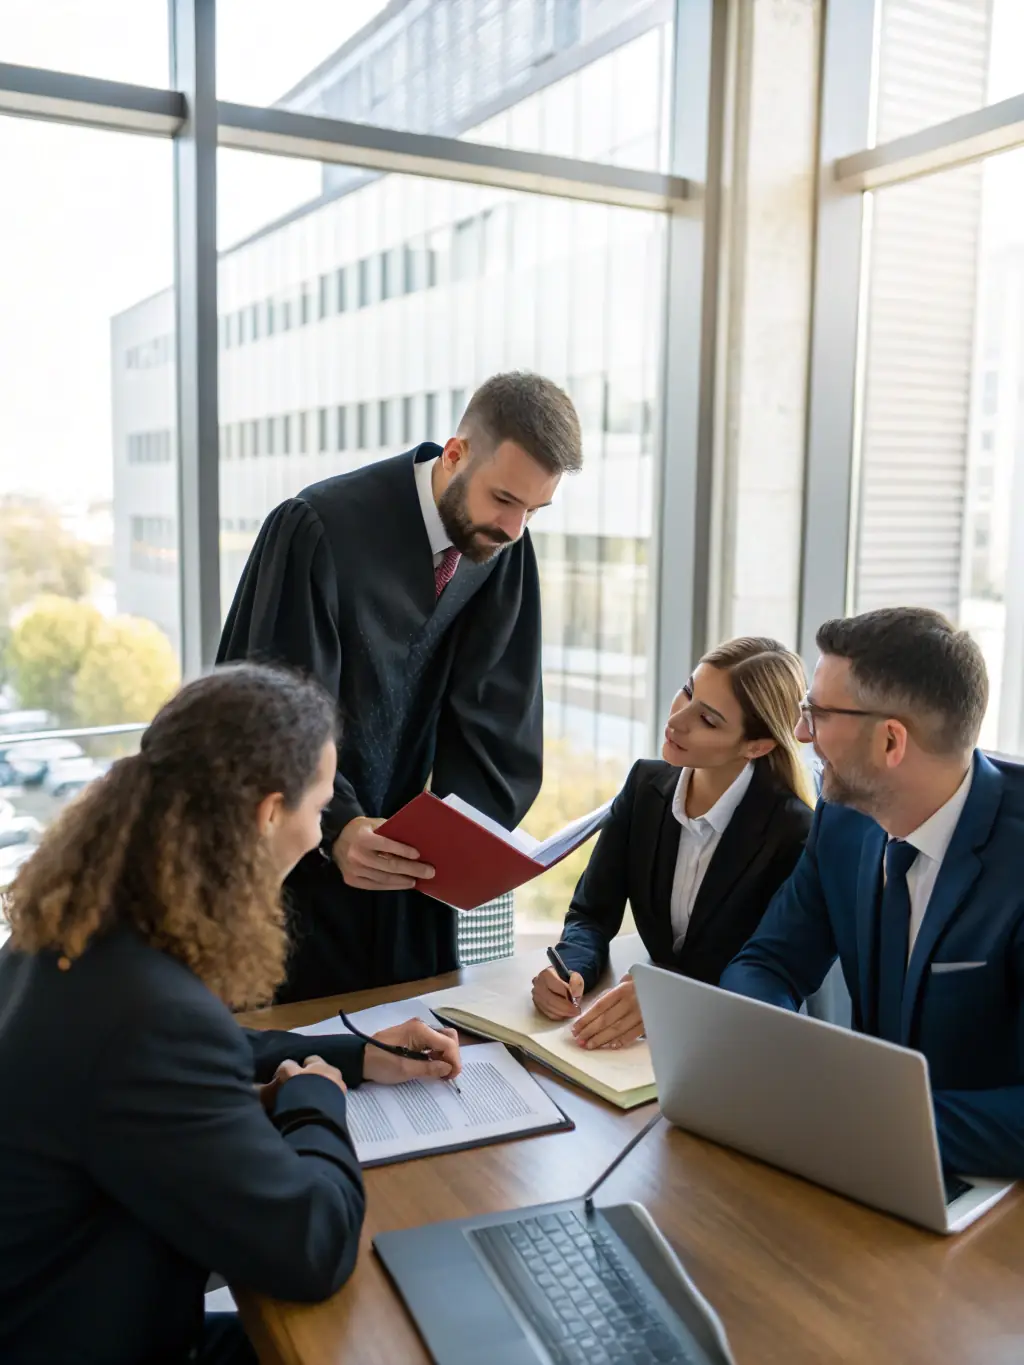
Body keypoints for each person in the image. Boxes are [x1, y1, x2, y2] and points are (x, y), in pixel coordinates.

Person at [0, 665, 462, 1365]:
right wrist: (315, 1102)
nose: (319, 832)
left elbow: (180, 1059)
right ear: (268, 813)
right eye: (321, 808)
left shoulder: (74, 929)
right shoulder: (150, 1014)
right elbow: (314, 1248)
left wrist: (357, 1054)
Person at [218, 372, 583, 1002]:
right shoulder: (318, 528)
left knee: (417, 1041)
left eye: (534, 510)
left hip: (415, 881)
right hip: (303, 865)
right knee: (304, 1039)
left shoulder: (501, 548)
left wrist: (454, 836)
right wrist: (338, 826)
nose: (515, 527)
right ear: (455, 454)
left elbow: (500, 718)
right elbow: (270, 713)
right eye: (504, 499)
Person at [721, 607, 1024, 1178]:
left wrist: (856, 1118)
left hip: (986, 1191)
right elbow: (768, 962)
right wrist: (777, 1059)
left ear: (890, 741)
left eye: (816, 714)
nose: (801, 733)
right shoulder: (843, 820)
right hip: (861, 1165)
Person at [532, 637, 814, 1049]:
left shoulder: (792, 832)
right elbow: (592, 913)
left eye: (708, 719)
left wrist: (668, 995)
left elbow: (764, 976)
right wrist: (570, 969)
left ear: (757, 745)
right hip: (646, 1039)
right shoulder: (644, 786)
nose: (677, 720)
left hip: (734, 1042)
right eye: (687, 691)